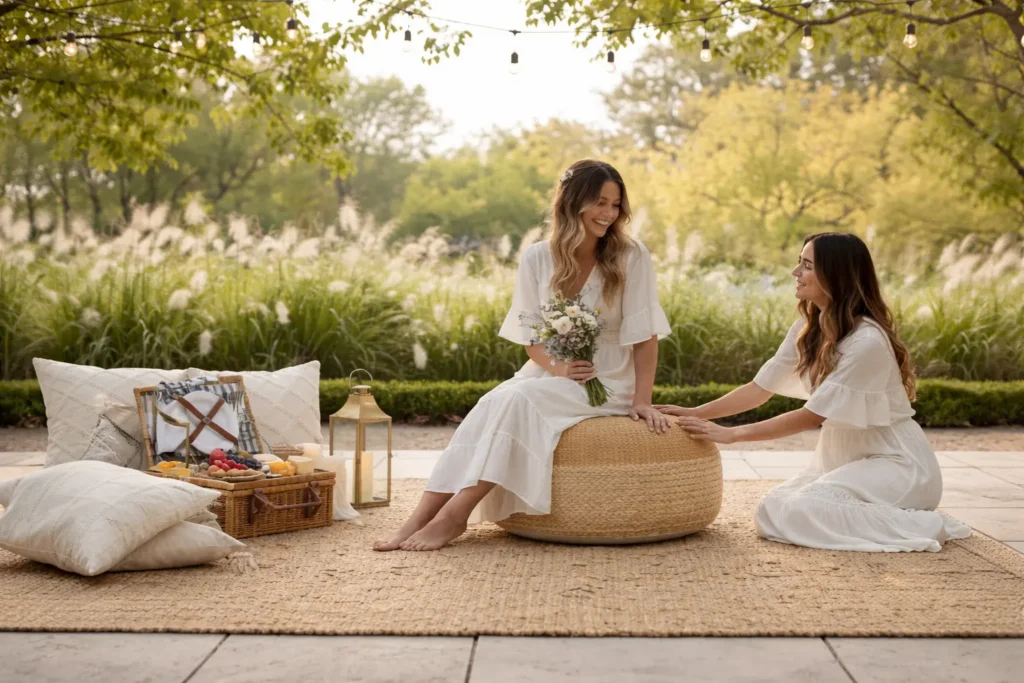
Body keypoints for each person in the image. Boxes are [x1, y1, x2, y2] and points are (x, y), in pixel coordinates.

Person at [374, 159, 673, 552]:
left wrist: (641, 400)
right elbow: (531, 336)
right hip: (550, 372)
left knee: (518, 399)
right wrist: (559, 368)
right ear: (573, 202)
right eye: (600, 202)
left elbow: (645, 336)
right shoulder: (537, 257)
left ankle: (454, 516)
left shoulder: (631, 255)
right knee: (493, 401)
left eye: (615, 204)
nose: (609, 214)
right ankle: (420, 516)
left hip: (611, 378)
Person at [657, 232, 971, 552]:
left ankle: (926, 523)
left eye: (807, 265)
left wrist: (731, 434)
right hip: (845, 459)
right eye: (799, 262)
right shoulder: (809, 329)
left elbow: (810, 417)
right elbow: (759, 389)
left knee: (802, 510)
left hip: (898, 466)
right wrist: (695, 413)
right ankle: (887, 518)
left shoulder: (867, 341)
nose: (796, 272)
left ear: (836, 275)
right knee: (770, 509)